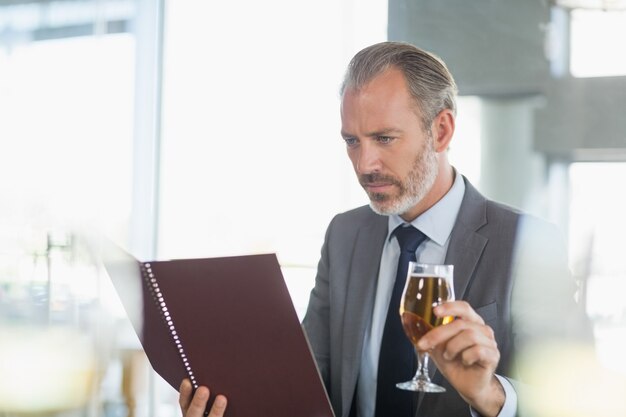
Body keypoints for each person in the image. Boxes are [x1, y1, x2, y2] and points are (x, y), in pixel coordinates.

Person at [179, 41, 589, 417]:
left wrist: (490, 394)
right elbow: (308, 386)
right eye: (352, 141)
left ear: (441, 131)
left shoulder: (527, 244)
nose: (364, 164)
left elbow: (577, 400)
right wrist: (235, 404)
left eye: (384, 138)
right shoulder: (345, 234)